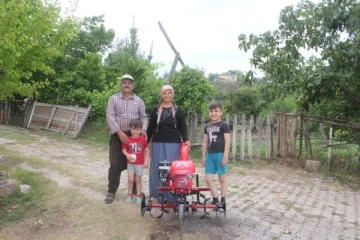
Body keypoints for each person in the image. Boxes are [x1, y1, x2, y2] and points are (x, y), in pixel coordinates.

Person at [105, 74, 147, 204]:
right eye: (124, 82)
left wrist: (143, 130)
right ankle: (111, 191)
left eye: (129, 83)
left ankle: (135, 190)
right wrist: (118, 132)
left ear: (133, 85)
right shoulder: (114, 99)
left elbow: (143, 116)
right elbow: (110, 116)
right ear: (121, 85)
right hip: (118, 135)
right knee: (115, 163)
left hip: (134, 135)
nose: (127, 85)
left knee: (135, 161)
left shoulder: (139, 101)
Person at [146, 85, 190, 203]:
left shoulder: (178, 109)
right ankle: (157, 195)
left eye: (169, 93)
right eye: (164, 93)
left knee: (172, 169)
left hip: (173, 143)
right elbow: (150, 127)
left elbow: (182, 126)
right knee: (158, 168)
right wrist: (145, 141)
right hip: (158, 142)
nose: (167, 95)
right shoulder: (156, 109)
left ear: (173, 95)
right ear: (161, 94)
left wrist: (185, 139)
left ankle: (174, 196)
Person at [201, 102, 230, 205]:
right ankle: (215, 199)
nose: (213, 113)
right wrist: (203, 156)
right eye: (211, 111)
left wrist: (225, 156)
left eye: (216, 111)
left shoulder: (224, 125)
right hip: (210, 155)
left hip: (220, 154)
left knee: (222, 178)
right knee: (208, 178)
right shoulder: (207, 126)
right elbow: (205, 142)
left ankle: (223, 199)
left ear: (221, 112)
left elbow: (227, 141)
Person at [122, 118, 150, 204]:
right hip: (130, 163)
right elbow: (123, 150)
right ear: (130, 129)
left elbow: (147, 150)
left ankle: (138, 195)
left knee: (138, 180)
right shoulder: (128, 139)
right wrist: (128, 155)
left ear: (141, 130)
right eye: (133, 129)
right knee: (130, 179)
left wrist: (146, 161)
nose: (135, 131)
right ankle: (129, 194)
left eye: (137, 129)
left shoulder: (142, 139)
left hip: (140, 164)